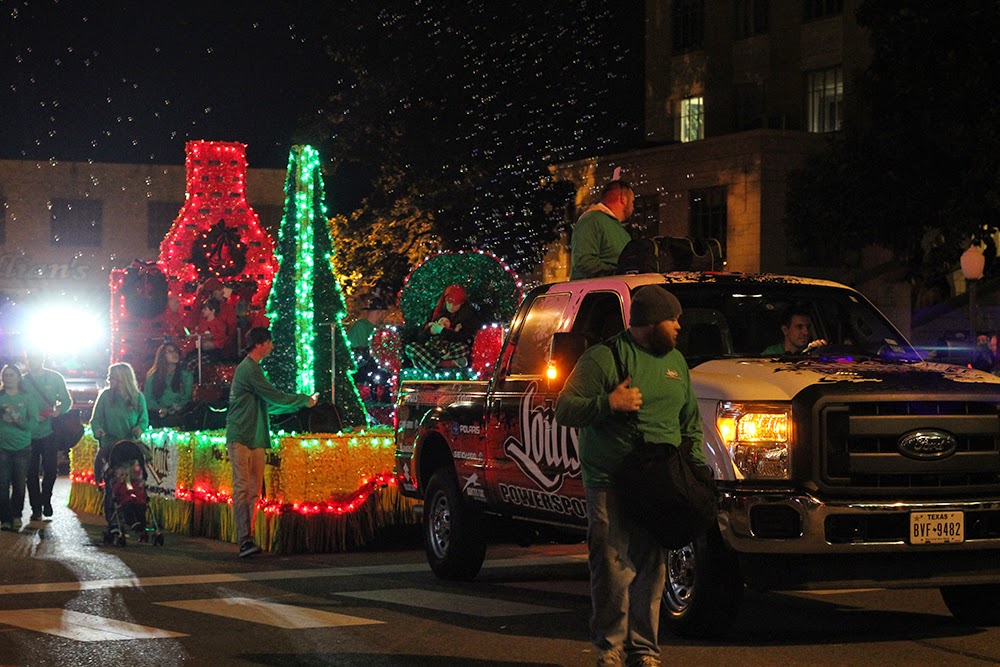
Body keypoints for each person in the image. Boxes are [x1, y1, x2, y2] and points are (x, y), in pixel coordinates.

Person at [555, 285, 703, 667]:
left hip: (659, 481)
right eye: (673, 320)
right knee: (611, 565)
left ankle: (645, 651)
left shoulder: (676, 362)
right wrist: (609, 403)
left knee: (653, 567)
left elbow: (690, 421)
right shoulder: (604, 358)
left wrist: (695, 467)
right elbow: (564, 409)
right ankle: (610, 647)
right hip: (610, 477)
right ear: (650, 322)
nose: (679, 327)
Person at [226, 327, 317, 558]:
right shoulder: (249, 369)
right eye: (269, 342)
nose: (272, 346)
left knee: (253, 490)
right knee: (244, 489)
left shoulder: (253, 369)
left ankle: (248, 538)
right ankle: (245, 540)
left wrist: (298, 404)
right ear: (259, 344)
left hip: (254, 436)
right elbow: (273, 396)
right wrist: (303, 400)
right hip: (242, 435)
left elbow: (268, 403)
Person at [22, 350, 72, 521]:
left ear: (42, 358)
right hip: (29, 433)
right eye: (30, 358)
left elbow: (66, 401)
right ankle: (36, 507)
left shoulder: (55, 378)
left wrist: (59, 411)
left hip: (50, 431)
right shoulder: (23, 381)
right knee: (31, 472)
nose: (33, 361)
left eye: (36, 357)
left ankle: (46, 499)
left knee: (51, 469)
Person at [91, 363, 148, 490]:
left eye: (113, 377)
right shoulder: (105, 396)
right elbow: (96, 419)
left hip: (130, 443)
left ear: (123, 379)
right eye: (109, 377)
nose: (109, 380)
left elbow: (143, 419)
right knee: (103, 468)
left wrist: (139, 428)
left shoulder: (138, 397)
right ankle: (100, 484)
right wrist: (97, 430)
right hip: (109, 443)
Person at [570, 180, 635, 280]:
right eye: (632, 201)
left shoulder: (622, 232)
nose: (633, 206)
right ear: (623, 198)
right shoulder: (591, 220)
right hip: (595, 289)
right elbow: (583, 261)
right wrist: (617, 273)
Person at [404, 284, 480, 370]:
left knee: (464, 348)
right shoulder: (436, 313)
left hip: (449, 349)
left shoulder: (467, 316)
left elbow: (465, 339)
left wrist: (443, 331)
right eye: (449, 303)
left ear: (461, 304)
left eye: (455, 304)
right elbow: (420, 337)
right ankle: (446, 364)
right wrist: (430, 331)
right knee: (410, 348)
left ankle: (429, 363)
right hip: (432, 347)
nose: (451, 307)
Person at [0, 365, 39, 531]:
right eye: (6, 375)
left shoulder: (27, 397)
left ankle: (16, 515)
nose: (8, 378)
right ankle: (5, 518)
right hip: (2, 446)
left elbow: (33, 423)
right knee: (2, 484)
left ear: (18, 377)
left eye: (12, 375)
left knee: (19, 483)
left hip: (22, 447)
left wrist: (19, 421)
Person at [144, 343, 195, 428]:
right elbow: (148, 398)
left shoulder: (186, 375)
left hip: (179, 415)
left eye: (175, 351)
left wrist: (174, 408)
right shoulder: (153, 376)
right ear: (162, 356)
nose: (174, 354)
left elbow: (187, 397)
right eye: (170, 351)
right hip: (157, 415)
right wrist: (160, 409)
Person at [761, 307, 827, 355]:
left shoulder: (812, 351)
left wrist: (816, 352)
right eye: (799, 327)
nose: (806, 332)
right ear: (785, 330)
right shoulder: (770, 354)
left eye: (808, 327)